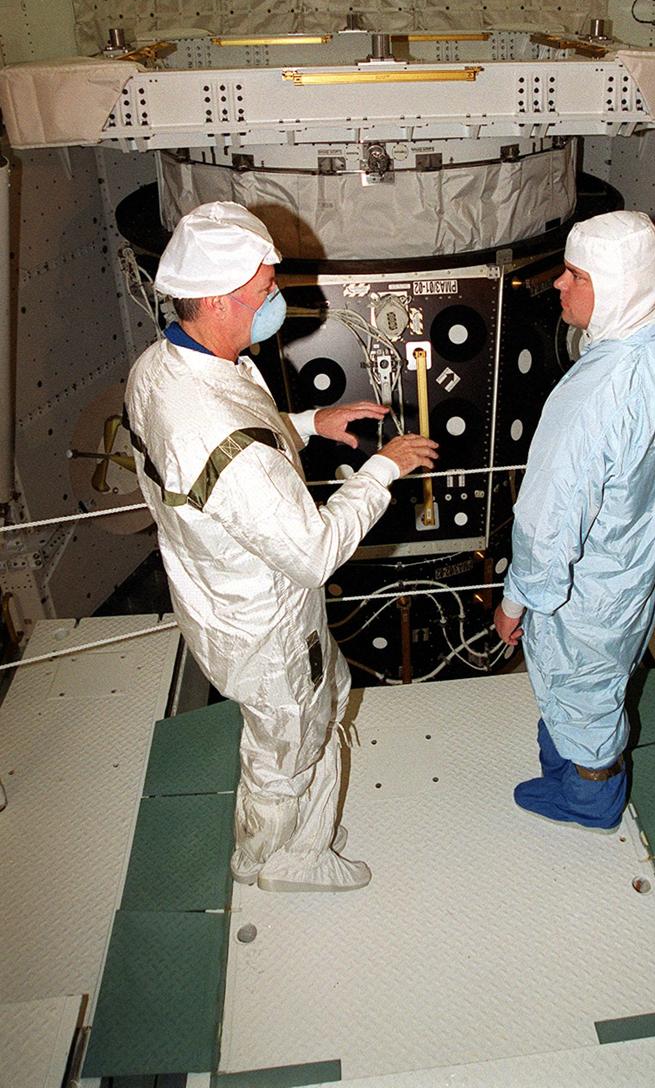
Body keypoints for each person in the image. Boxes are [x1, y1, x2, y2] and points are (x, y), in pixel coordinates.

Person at [125, 201, 437, 892]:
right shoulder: (216, 429)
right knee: (286, 745)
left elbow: (219, 459)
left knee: (314, 712)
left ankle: (304, 828)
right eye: (266, 290)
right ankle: (275, 860)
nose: (278, 301)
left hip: (222, 599)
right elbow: (313, 549)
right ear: (215, 298)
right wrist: (384, 467)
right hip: (265, 624)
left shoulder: (161, 366)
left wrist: (308, 421)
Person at [494, 210, 655, 831]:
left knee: (583, 687)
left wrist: (516, 602)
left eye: (574, 275)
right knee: (607, 672)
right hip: (646, 563)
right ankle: (575, 767)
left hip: (592, 585)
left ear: (615, 288)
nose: (558, 285)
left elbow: (546, 525)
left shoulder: (593, 393)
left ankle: (590, 799)